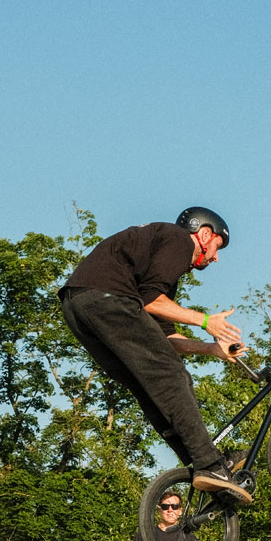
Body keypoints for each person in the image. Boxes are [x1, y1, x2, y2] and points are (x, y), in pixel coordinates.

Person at [59, 207, 252, 504]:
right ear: (203, 235)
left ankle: (205, 464)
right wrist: (205, 320)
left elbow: (164, 335)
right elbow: (149, 301)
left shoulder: (158, 258)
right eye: (217, 248)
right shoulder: (178, 240)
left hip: (78, 306)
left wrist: (210, 348)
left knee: (148, 386)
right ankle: (211, 465)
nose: (216, 258)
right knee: (173, 376)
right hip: (107, 297)